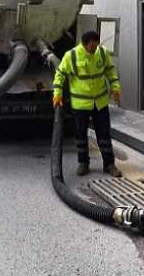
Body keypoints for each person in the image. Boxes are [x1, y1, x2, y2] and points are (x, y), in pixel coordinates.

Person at [52, 31, 122, 177]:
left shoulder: (101, 53)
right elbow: (60, 74)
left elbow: (110, 71)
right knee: (80, 135)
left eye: (97, 45)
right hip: (81, 104)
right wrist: (57, 94)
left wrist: (116, 88)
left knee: (104, 135)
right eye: (92, 46)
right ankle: (83, 163)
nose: (95, 49)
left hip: (100, 103)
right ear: (84, 44)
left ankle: (109, 165)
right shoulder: (71, 56)